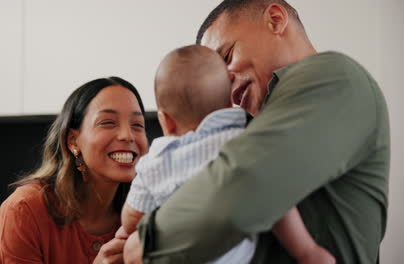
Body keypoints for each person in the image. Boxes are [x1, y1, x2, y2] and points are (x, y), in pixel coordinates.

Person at [124, 1, 390, 263]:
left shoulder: (334, 76)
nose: (225, 82)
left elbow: (241, 184)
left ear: (275, 19)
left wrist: (146, 242)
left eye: (226, 57)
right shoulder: (245, 127)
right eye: (215, 76)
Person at [119, 44, 335, 264]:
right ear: (229, 98)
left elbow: (131, 218)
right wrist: (306, 251)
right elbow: (275, 195)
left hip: (175, 252)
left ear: (165, 121)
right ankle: (307, 250)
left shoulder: (155, 161)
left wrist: (130, 230)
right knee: (272, 193)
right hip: (235, 256)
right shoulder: (245, 141)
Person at [0, 77, 149, 264]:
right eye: (108, 122)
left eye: (137, 125)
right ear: (73, 141)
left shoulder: (148, 212)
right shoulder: (25, 210)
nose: (127, 135)